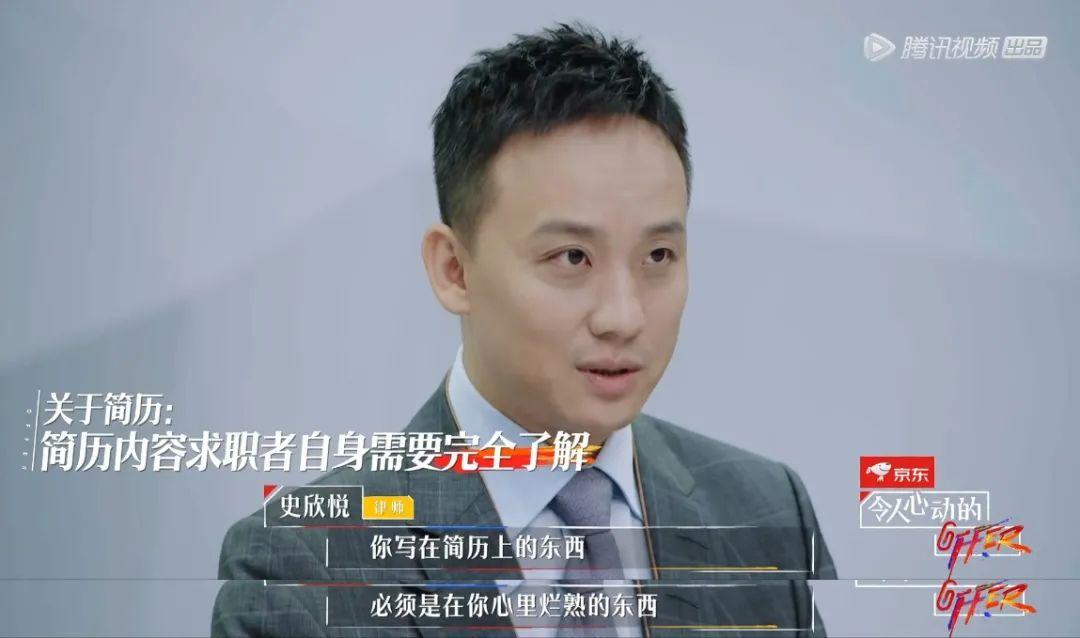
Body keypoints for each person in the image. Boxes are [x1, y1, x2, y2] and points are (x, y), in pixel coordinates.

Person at [212, 22, 836, 638]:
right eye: (572, 258)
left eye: (657, 256)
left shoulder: (762, 509)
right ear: (454, 270)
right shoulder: (303, 569)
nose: (623, 317)